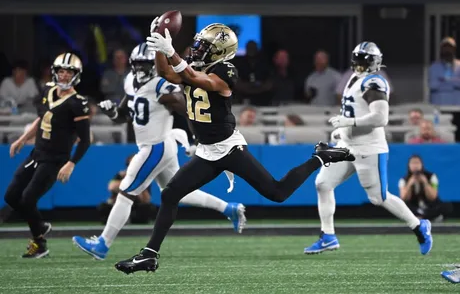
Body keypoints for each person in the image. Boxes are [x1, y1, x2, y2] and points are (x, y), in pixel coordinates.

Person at [112, 20, 354, 275]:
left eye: (203, 46)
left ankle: (319, 156)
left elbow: (192, 77)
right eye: (197, 44)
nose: (196, 49)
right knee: (170, 194)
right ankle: (149, 255)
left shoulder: (226, 71)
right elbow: (167, 74)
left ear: (219, 50)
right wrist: (160, 45)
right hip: (206, 151)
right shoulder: (192, 65)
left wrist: (170, 50)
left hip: (228, 149)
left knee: (277, 193)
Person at [72, 43, 247, 260]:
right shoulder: (130, 82)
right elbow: (124, 115)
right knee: (176, 191)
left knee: (126, 191)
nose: (141, 69)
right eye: (137, 64)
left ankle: (103, 244)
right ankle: (228, 208)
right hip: (156, 146)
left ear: (154, 64)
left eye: (146, 64)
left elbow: (188, 110)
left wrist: (197, 136)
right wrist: (112, 112)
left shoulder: (162, 86)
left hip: (156, 146)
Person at [303, 42, 433, 255]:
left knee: (378, 198)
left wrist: (349, 123)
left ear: (375, 62)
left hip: (369, 148)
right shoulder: (353, 78)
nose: (360, 64)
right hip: (347, 145)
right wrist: (342, 132)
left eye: (365, 60)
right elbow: (353, 109)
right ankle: (328, 236)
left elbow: (380, 118)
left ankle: (419, 226)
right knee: (323, 184)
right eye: (358, 59)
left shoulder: (374, 82)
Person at [4, 53, 91, 258]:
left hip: (55, 159)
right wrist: (22, 139)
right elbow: (42, 118)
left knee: (27, 199)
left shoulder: (77, 102)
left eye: (68, 72)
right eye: (60, 71)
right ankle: (40, 229)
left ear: (76, 75)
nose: (63, 76)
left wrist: (71, 163)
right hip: (37, 153)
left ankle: (39, 241)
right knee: (11, 196)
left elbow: (85, 140)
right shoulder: (48, 90)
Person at [399, 155, 452, 222]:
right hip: (415, 208)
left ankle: (420, 217)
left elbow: (433, 197)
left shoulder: (432, 177)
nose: (415, 166)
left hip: (429, 207)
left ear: (422, 165)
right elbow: (404, 198)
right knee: (402, 207)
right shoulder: (403, 180)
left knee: (447, 206)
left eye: (417, 163)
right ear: (408, 165)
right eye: (413, 163)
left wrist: (425, 183)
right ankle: (427, 217)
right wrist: (409, 184)